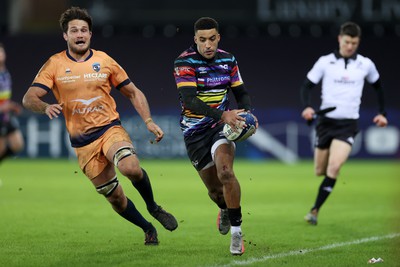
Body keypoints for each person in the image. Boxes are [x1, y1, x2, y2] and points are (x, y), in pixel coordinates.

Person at [22, 7, 178, 245]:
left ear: (90, 34)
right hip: (83, 144)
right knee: (115, 198)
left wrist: (148, 121)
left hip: (109, 130)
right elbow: (29, 98)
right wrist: (45, 107)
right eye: (74, 30)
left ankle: (153, 207)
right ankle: (147, 228)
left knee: (130, 168)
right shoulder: (54, 64)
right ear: (65, 36)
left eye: (84, 30)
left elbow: (133, 92)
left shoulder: (103, 60)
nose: (79, 34)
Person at [173, 17, 258, 255]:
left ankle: (237, 234)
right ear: (195, 40)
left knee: (226, 172)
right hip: (194, 131)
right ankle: (224, 209)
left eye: (212, 39)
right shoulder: (184, 62)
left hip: (221, 128)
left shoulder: (228, 59)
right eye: (202, 40)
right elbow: (190, 101)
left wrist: (247, 114)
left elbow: (241, 92)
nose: (207, 45)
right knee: (215, 191)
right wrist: (224, 115)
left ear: (218, 38)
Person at [300, 21, 388, 225]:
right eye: (347, 41)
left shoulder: (365, 64)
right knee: (319, 171)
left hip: (348, 124)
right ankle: (317, 202)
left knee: (335, 167)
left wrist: (382, 113)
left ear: (358, 43)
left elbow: (379, 88)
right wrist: (307, 107)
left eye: (354, 43)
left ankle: (314, 211)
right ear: (340, 39)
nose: (350, 46)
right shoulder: (325, 62)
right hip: (325, 123)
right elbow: (306, 86)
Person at [0, 43, 24, 164]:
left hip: (5, 116)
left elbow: (4, 98)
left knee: (17, 144)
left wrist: (11, 106)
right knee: (1, 148)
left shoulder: (5, 73)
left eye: (1, 51)